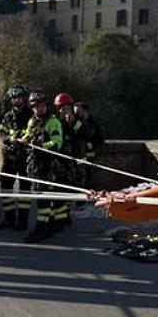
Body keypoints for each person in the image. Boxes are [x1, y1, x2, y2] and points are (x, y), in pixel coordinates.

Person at [22, 91, 63, 243]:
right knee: (42, 197)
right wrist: (22, 140)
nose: (38, 109)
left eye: (41, 105)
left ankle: (40, 229)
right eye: (35, 106)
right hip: (34, 165)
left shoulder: (53, 122)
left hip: (47, 165)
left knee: (43, 199)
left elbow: (57, 142)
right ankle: (49, 227)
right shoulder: (32, 121)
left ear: (46, 105)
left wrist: (42, 146)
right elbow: (27, 135)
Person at [0, 85, 32, 231]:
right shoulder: (8, 116)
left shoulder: (31, 115)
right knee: (5, 186)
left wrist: (22, 139)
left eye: (18, 97)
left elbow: (33, 133)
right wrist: (8, 139)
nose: (16, 100)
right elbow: (2, 133)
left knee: (25, 189)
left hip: (25, 157)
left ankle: (22, 220)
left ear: (24, 98)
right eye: (14, 98)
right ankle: (9, 218)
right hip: (10, 156)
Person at [52, 93, 79, 231]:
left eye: (67, 108)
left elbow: (85, 134)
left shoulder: (76, 122)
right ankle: (58, 218)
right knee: (57, 191)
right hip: (57, 162)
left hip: (71, 162)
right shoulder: (54, 122)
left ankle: (65, 214)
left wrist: (73, 122)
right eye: (62, 109)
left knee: (70, 190)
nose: (65, 111)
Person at [72, 100, 105, 188]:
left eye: (78, 112)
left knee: (88, 176)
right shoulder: (77, 123)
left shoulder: (94, 125)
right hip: (78, 154)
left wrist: (91, 145)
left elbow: (100, 139)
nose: (76, 114)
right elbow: (74, 134)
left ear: (85, 111)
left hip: (89, 156)